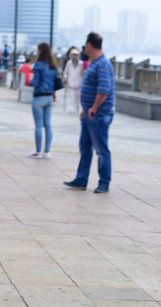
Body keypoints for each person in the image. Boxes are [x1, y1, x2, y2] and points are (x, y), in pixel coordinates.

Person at [64, 32, 114, 193]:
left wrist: (94, 108)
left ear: (90, 45)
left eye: (85, 46)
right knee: (85, 147)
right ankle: (81, 179)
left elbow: (103, 90)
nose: (84, 49)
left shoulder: (103, 64)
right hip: (89, 113)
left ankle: (104, 182)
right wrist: (86, 109)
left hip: (99, 114)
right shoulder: (94, 62)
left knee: (101, 149)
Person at [28, 43, 59, 158]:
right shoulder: (53, 65)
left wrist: (29, 80)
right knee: (48, 125)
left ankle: (38, 151)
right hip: (49, 97)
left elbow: (35, 83)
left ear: (40, 51)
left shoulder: (38, 65)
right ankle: (47, 152)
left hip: (39, 97)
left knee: (38, 125)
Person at [62, 48, 83, 112]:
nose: (75, 56)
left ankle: (78, 108)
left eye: (76, 55)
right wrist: (65, 78)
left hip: (79, 83)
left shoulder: (81, 63)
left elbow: (83, 73)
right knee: (71, 97)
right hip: (70, 82)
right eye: (73, 55)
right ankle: (71, 109)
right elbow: (65, 72)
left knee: (78, 97)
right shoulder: (69, 63)